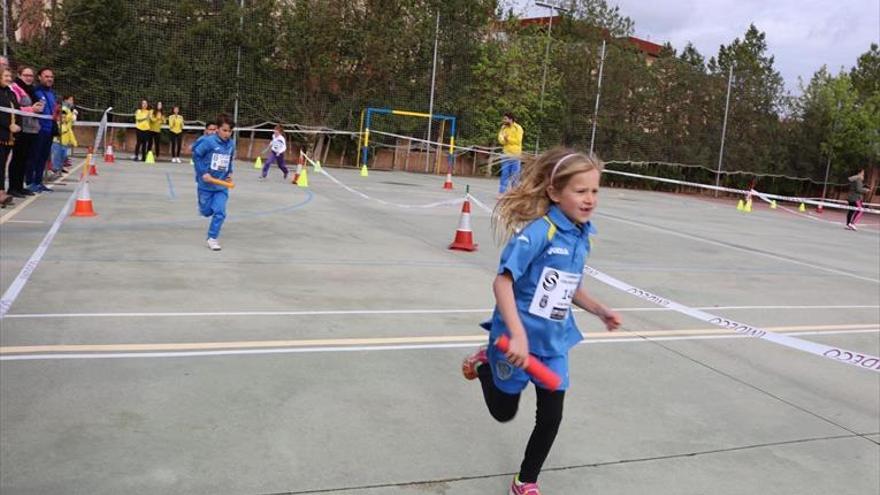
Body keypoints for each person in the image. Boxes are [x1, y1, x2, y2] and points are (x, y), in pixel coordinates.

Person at [461, 148, 621, 495]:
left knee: (551, 416)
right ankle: (485, 363)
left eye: (594, 191)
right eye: (581, 191)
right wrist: (516, 335)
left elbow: (571, 287)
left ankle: (525, 481)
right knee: (504, 412)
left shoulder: (580, 235)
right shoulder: (539, 233)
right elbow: (501, 282)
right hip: (514, 341)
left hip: (552, 344)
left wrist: (599, 309)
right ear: (554, 192)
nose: (590, 199)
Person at [192, 114, 235, 251]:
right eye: (224, 130)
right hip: (206, 185)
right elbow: (196, 156)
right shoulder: (208, 142)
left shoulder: (231, 144)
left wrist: (229, 173)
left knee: (220, 212)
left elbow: (229, 160)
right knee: (206, 212)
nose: (227, 134)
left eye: (230, 131)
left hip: (221, 185)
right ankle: (203, 208)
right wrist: (203, 173)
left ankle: (212, 238)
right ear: (217, 129)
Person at [8, 67, 44, 197]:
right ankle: (13, 187)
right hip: (21, 128)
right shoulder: (15, 88)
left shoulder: (31, 90)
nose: (29, 78)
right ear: (19, 75)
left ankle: (20, 186)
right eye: (26, 75)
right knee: (17, 158)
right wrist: (31, 109)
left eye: (31, 75)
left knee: (25, 159)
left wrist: (38, 108)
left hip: (32, 128)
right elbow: (15, 107)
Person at [26, 67, 56, 193]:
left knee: (43, 157)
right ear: (39, 77)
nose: (49, 79)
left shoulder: (52, 93)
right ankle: (30, 182)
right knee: (34, 156)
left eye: (51, 77)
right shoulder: (35, 91)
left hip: (49, 130)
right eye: (46, 76)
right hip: (38, 129)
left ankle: (39, 182)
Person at [0, 67, 21, 207]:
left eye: (9, 76)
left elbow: (17, 110)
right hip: (2, 133)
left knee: (3, 165)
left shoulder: (10, 93)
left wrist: (18, 125)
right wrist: (8, 125)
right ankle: (1, 193)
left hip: (10, 136)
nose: (8, 78)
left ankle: (1, 191)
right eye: (5, 75)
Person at [497, 112, 524, 196]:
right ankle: (501, 192)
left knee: (515, 175)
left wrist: (508, 138)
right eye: (503, 119)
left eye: (505, 119)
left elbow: (518, 141)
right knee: (504, 174)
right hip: (505, 154)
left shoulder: (518, 128)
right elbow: (500, 139)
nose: (503, 120)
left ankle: (514, 193)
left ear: (510, 119)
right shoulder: (503, 128)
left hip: (516, 155)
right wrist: (504, 140)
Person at [51, 94, 77, 176]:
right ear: (65, 100)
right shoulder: (63, 109)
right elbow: (64, 118)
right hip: (58, 136)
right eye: (70, 100)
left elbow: (69, 125)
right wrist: (73, 115)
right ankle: (55, 169)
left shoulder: (68, 110)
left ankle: (59, 168)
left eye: (72, 100)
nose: (72, 102)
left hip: (65, 137)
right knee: (57, 154)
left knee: (63, 154)